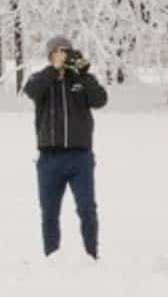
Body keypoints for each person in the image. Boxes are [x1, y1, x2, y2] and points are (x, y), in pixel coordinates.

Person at [24, 35, 108, 259]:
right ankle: (51, 258)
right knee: (49, 213)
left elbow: (100, 100)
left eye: (66, 51)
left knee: (87, 209)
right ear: (50, 55)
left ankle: (92, 255)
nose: (63, 55)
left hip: (80, 157)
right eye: (58, 51)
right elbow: (31, 90)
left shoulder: (80, 79)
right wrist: (54, 70)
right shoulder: (41, 79)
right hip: (49, 159)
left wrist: (85, 73)